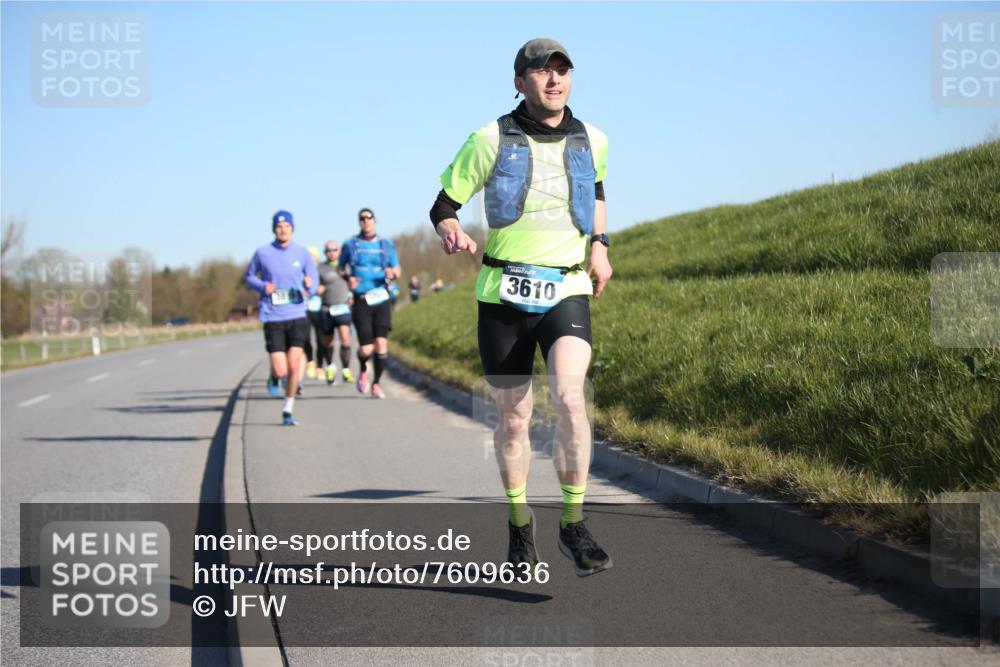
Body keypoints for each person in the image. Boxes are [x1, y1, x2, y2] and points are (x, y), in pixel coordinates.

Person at [430, 39, 614, 576]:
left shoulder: (593, 139)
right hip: (503, 293)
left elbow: (598, 189)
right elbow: (444, 202)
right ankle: (518, 524)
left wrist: (599, 246)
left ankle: (574, 522)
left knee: (571, 398)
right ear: (520, 82)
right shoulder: (488, 139)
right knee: (514, 421)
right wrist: (451, 230)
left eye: (562, 70)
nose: (554, 80)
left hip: (567, 287)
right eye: (541, 72)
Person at [245, 210, 319, 425]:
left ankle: (288, 408)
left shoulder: (302, 253)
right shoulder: (263, 253)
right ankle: (274, 375)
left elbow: (313, 277)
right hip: (273, 316)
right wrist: (262, 286)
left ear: (292, 228)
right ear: (274, 229)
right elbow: (249, 276)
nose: (283, 229)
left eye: (287, 226)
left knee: (294, 366)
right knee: (281, 368)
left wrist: (310, 287)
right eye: (279, 226)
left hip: (297, 314)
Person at [338, 207, 401, 400]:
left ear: (375, 220)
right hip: (361, 299)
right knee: (366, 348)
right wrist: (348, 278)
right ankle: (364, 369)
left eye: (369, 217)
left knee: (381, 345)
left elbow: (397, 269)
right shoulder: (350, 244)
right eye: (362, 218)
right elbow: (341, 268)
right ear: (359, 222)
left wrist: (393, 273)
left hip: (382, 297)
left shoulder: (386, 244)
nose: (366, 221)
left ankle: (376, 384)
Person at [317, 240, 356, 385]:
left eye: (334, 250)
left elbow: (354, 283)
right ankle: (330, 366)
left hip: (343, 307)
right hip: (326, 308)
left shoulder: (346, 266)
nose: (331, 253)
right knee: (328, 341)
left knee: (345, 338)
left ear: (339, 251)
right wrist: (316, 290)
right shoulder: (320, 268)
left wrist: (353, 295)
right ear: (325, 252)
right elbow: (318, 286)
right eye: (328, 250)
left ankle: (346, 370)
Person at [304, 245, 325, 380]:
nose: (311, 259)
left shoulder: (320, 270)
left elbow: (327, 285)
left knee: (321, 340)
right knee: (306, 338)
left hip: (319, 308)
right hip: (304, 309)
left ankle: (320, 367)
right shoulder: (301, 271)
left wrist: (321, 289)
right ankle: (310, 362)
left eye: (313, 256)